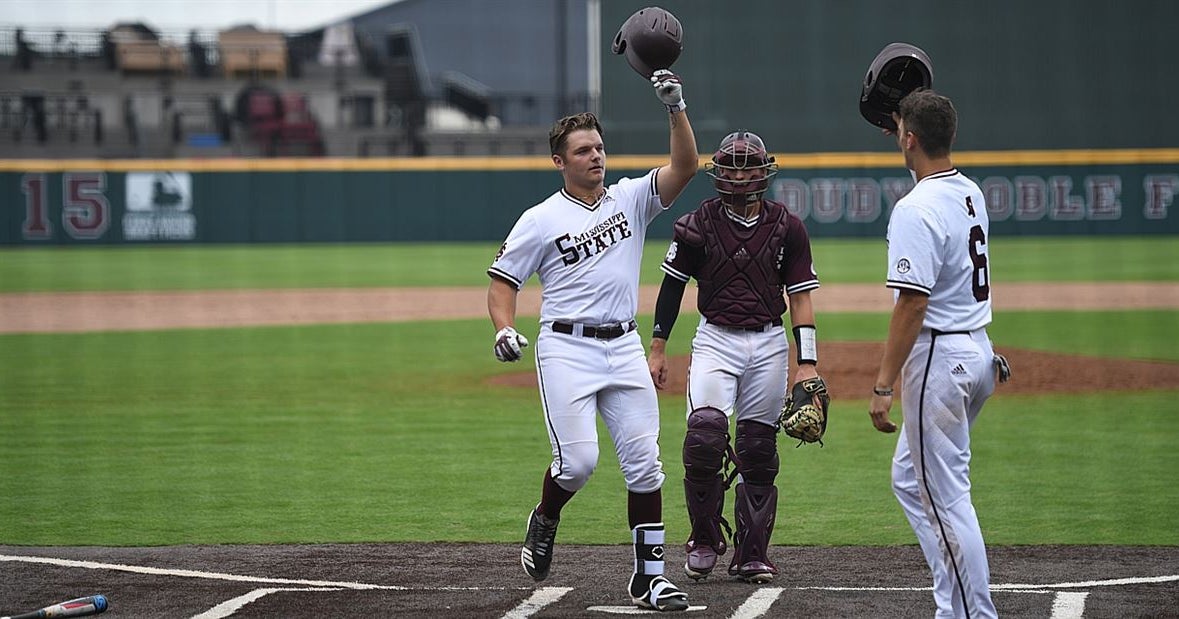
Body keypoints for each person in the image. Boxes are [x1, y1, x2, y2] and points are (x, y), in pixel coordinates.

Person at [486, 68, 698, 612]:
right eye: (583, 151)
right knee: (578, 464)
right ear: (560, 161)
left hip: (623, 346)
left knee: (646, 464)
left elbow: (686, 167)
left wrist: (675, 106)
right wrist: (505, 328)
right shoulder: (540, 219)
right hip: (565, 348)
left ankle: (649, 578)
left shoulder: (630, 198)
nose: (595, 157)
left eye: (599, 148)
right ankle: (547, 515)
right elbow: (502, 283)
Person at [646, 131, 822, 584]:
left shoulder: (788, 227)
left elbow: (800, 299)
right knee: (704, 436)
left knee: (759, 450)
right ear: (718, 172)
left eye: (749, 166)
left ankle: (752, 553)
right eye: (732, 167)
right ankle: (704, 539)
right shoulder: (697, 224)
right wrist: (658, 347)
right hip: (716, 340)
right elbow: (671, 287)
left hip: (768, 342)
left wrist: (808, 363)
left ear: (765, 170)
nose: (741, 175)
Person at [868, 88, 999, 619]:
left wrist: (882, 384)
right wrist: (909, 121)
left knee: (946, 501)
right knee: (910, 478)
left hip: (940, 361)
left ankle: (971, 613)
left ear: (909, 138)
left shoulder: (914, 208)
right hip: (979, 352)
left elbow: (911, 305)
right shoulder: (969, 190)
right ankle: (955, 600)